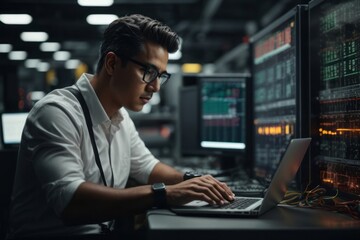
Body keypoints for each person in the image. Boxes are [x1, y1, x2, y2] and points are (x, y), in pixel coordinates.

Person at [7, 14, 234, 240]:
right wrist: (165, 194)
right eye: (149, 72)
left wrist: (195, 181)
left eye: (161, 76)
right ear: (112, 63)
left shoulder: (121, 117)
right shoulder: (56, 113)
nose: (155, 87)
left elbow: (148, 168)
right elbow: (70, 202)